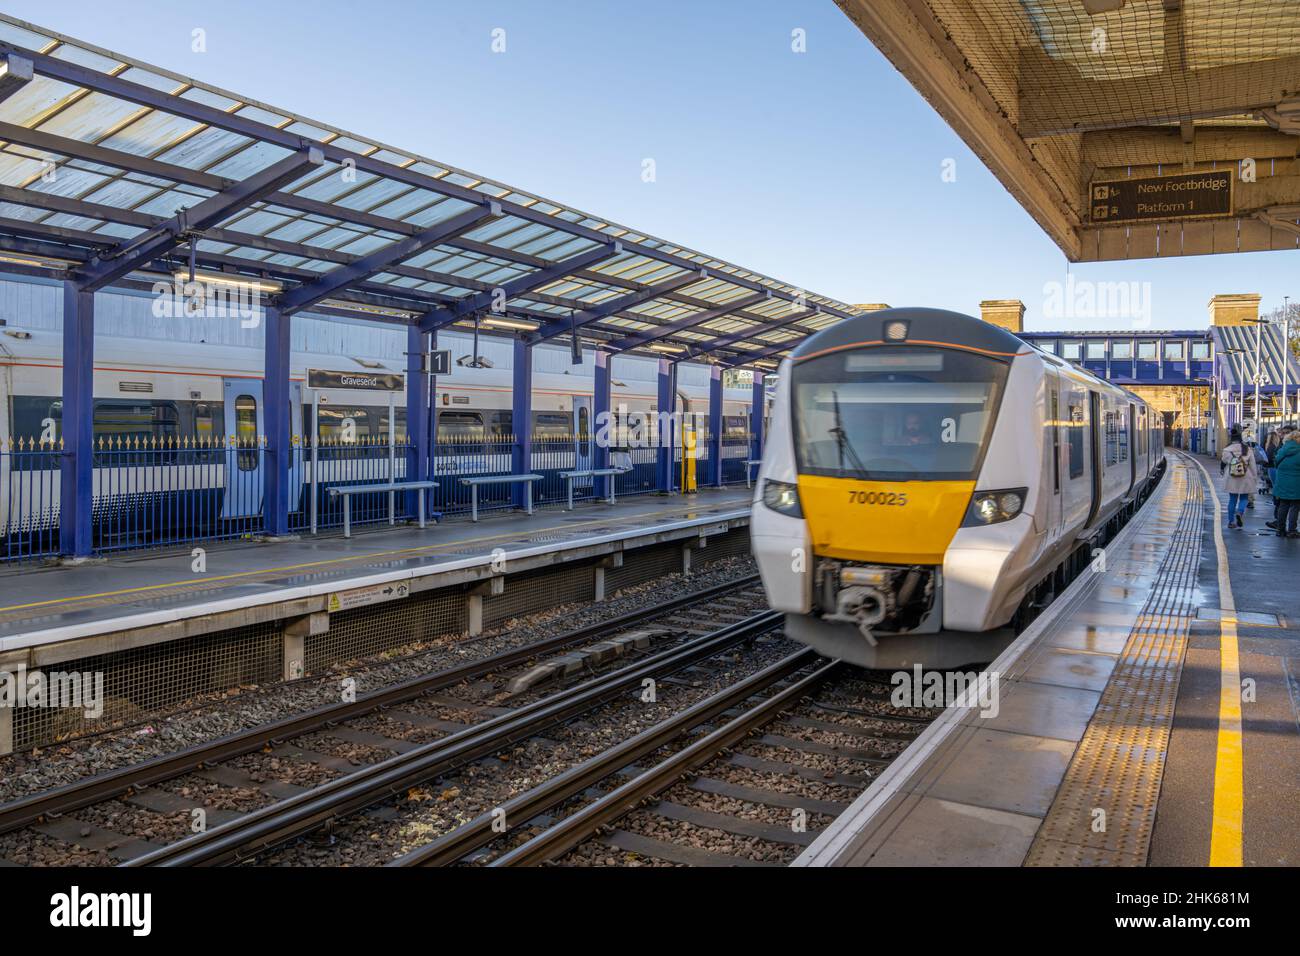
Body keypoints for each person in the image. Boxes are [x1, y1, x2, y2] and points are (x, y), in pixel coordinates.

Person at [1220, 428, 1257, 529]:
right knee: (1244, 498)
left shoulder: (1227, 449)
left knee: (1232, 499)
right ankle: (1240, 513)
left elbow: (1224, 460)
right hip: (1245, 476)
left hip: (1232, 476)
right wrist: (1254, 477)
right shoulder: (1247, 449)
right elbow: (1253, 465)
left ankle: (1231, 522)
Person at [1272, 430, 1300, 538]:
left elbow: (1276, 463)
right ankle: (1292, 530)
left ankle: (1280, 529)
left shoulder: (1282, 450)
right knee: (1295, 507)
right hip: (1296, 483)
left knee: (1283, 505)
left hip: (1282, 482)